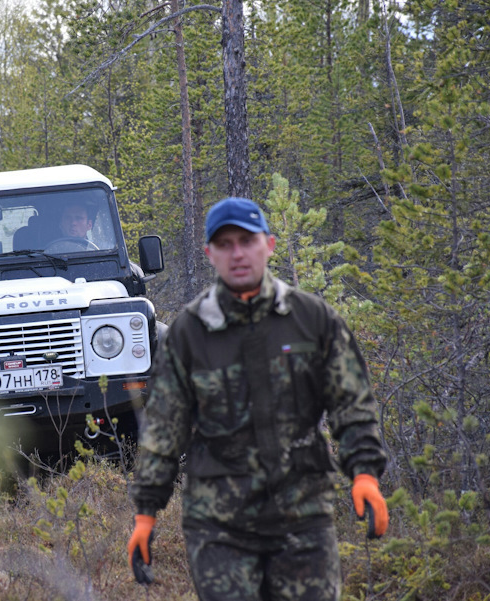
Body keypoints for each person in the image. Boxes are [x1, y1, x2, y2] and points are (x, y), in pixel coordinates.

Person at [127, 197, 389, 601]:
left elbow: (352, 405)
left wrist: (365, 474)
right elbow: (164, 428)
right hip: (219, 527)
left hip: (302, 518)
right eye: (225, 244)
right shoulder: (189, 333)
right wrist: (146, 512)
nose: (237, 253)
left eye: (246, 241)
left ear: (268, 244)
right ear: (209, 254)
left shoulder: (311, 319)